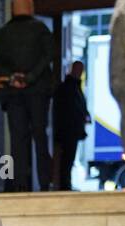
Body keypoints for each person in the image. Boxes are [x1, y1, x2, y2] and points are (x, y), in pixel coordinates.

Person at [0, 0, 57, 192]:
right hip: (37, 91)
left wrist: (13, 78)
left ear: (12, 9)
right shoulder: (41, 29)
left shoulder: (1, 34)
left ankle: (20, 183)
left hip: (13, 94)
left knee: (18, 139)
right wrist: (30, 77)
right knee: (40, 136)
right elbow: (48, 55)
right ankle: (45, 183)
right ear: (30, 7)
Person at [52, 61, 89, 190]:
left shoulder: (70, 87)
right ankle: (64, 184)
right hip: (69, 131)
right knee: (67, 160)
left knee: (67, 160)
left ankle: (65, 183)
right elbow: (71, 110)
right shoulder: (70, 88)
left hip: (70, 130)